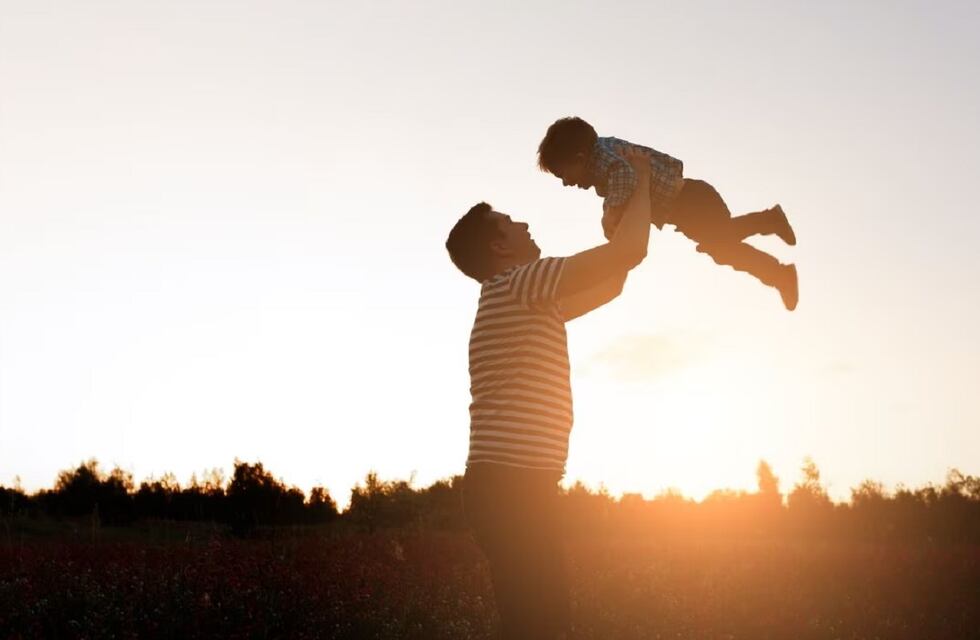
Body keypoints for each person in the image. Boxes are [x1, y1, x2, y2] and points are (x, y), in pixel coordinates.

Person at [445, 150, 653, 639]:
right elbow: (628, 255)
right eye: (510, 221)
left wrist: (619, 217)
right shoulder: (520, 284)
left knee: (541, 621)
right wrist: (641, 181)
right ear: (499, 246)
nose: (523, 223)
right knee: (541, 622)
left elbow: (614, 281)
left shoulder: (527, 297)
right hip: (511, 487)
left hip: (519, 487)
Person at [536, 116, 800, 311]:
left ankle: (772, 237)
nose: (566, 183)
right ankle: (778, 269)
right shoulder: (603, 158)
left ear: (580, 158)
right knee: (721, 246)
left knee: (720, 244)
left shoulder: (604, 159)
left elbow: (625, 175)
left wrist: (611, 212)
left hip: (692, 200)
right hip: (685, 207)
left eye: (563, 174)